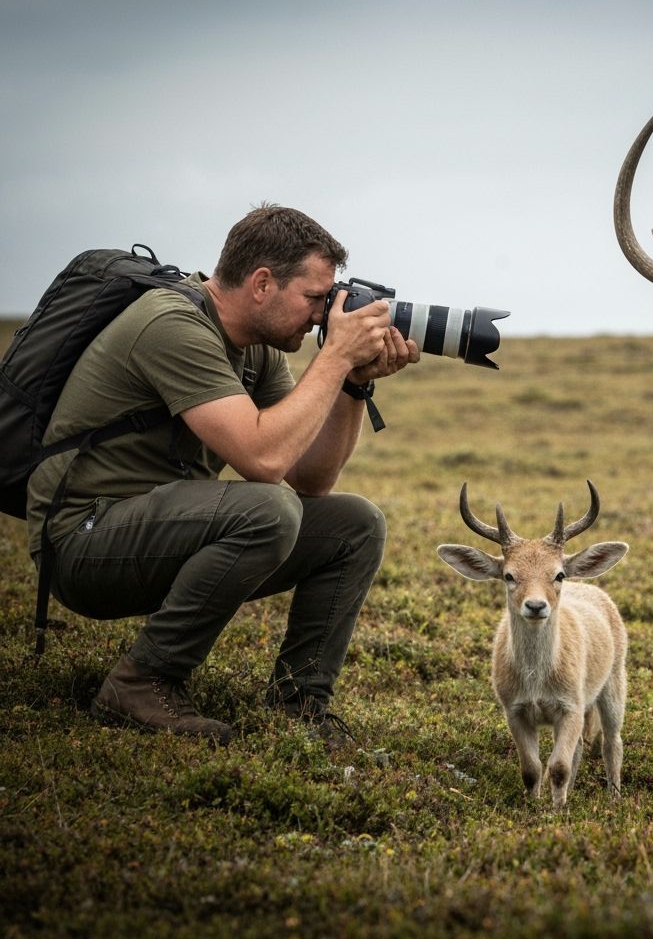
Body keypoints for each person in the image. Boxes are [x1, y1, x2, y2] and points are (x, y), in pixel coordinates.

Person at [25, 203, 419, 747]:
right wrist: (333, 356)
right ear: (262, 283)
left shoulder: (257, 347)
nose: (319, 317)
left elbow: (311, 479)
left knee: (355, 523)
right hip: (82, 542)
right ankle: (142, 681)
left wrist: (351, 380)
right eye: (313, 299)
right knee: (268, 510)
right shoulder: (171, 324)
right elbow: (263, 462)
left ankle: (299, 700)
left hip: (156, 530)